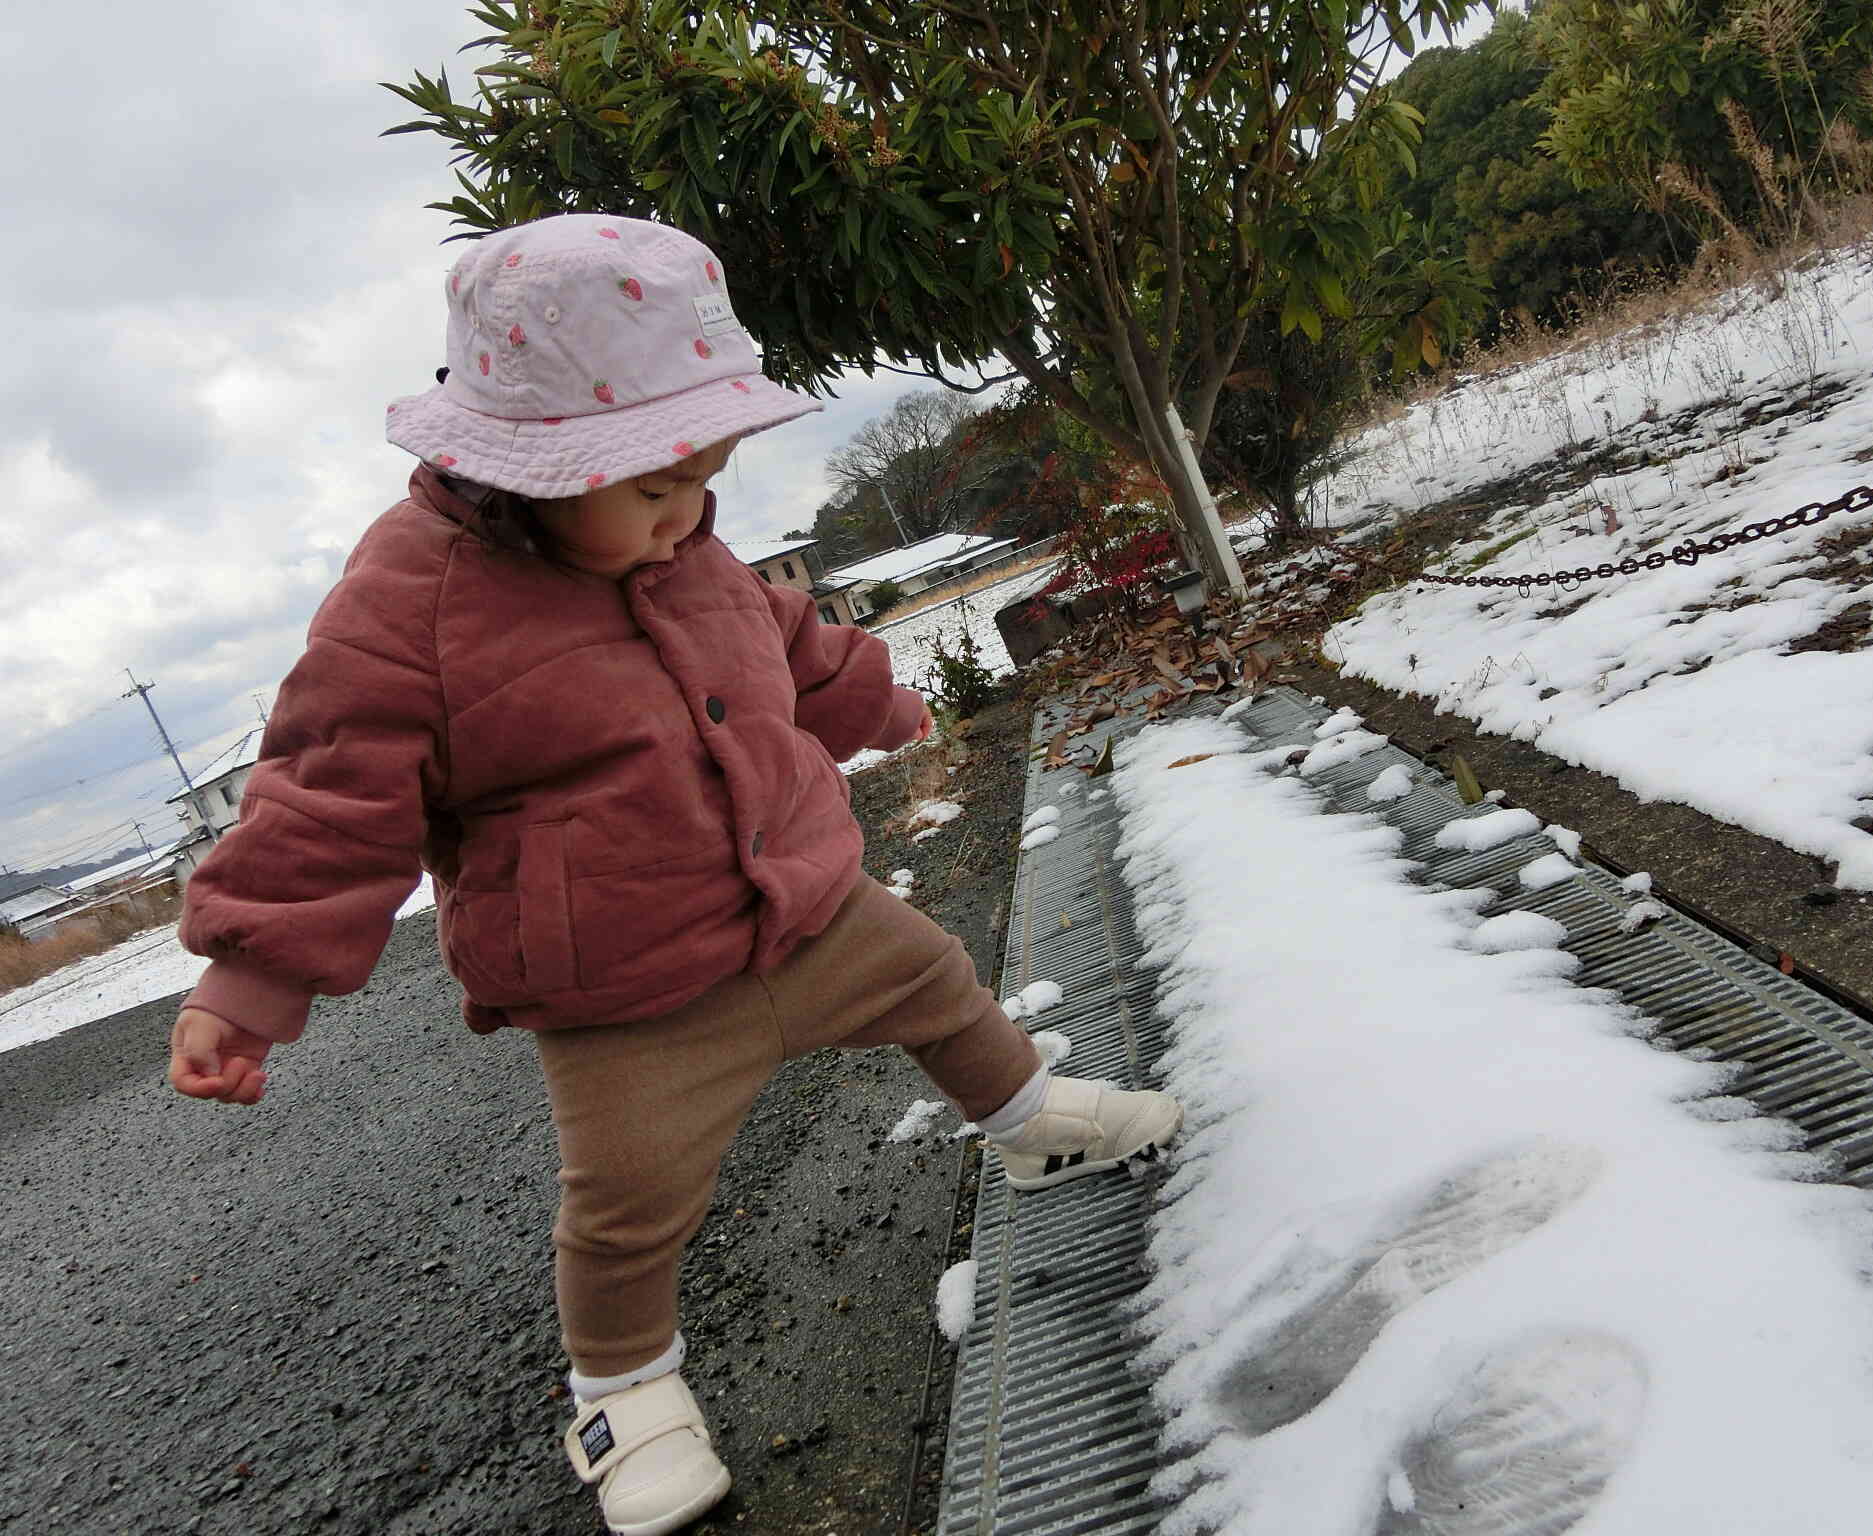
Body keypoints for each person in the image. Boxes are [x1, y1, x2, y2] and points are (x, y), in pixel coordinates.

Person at [164, 213, 1183, 1536]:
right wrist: (249, 983)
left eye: (706, 481)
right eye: (654, 488)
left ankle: (1030, 1119)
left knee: (939, 983)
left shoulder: (685, 550)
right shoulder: (408, 603)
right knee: (626, 1204)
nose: (688, 515)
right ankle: (623, 1393)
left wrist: (879, 703)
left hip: (809, 907)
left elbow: (791, 646)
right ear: (528, 465)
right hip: (627, 991)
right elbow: (328, 789)